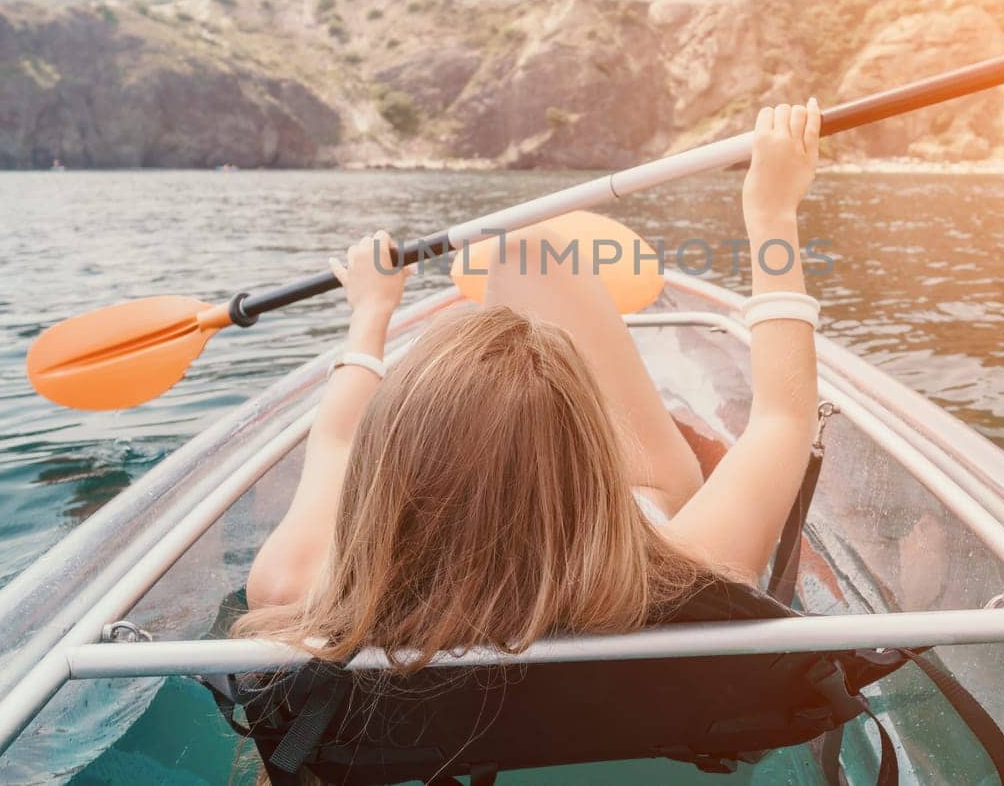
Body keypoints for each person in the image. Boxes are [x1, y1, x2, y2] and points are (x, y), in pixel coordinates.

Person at [239, 99, 824, 670]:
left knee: (523, 248)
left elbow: (337, 441)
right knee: (529, 250)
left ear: (388, 465)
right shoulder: (685, 574)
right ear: (591, 454)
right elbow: (783, 416)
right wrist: (771, 214)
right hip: (624, 587)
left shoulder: (292, 587)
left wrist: (370, 310)